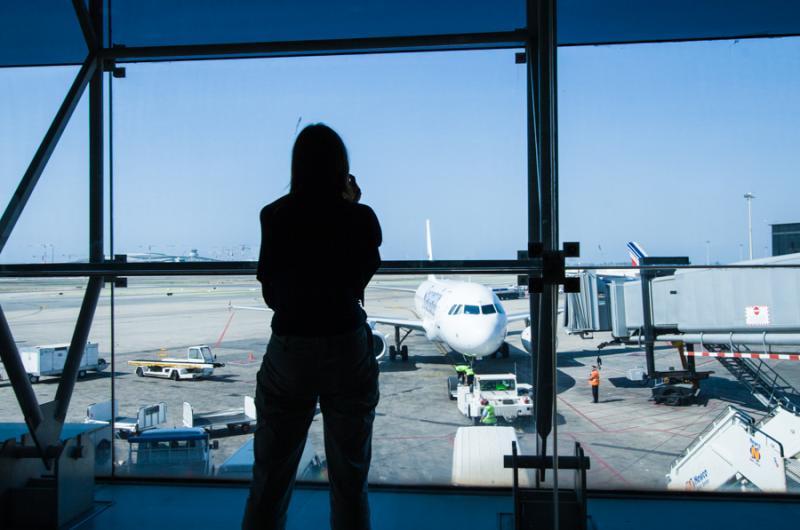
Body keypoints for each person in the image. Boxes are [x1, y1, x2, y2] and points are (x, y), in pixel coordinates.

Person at [242, 124, 382, 530]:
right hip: (346, 343)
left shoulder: (274, 215)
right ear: (343, 170)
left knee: (270, 477)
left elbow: (272, 293)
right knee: (350, 479)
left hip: (292, 347)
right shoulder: (360, 217)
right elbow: (362, 274)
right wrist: (351, 203)